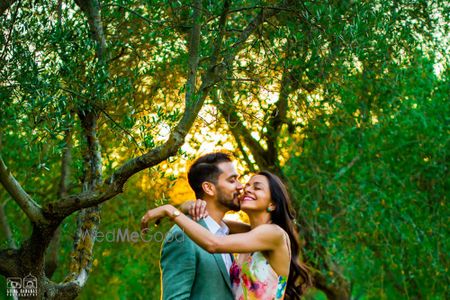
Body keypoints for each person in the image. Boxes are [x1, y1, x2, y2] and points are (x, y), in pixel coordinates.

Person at [141, 168, 312, 300]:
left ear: (273, 204)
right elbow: (212, 221)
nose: (247, 189)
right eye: (247, 185)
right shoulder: (250, 235)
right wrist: (187, 205)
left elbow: (213, 243)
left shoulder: (273, 234)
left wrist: (171, 211)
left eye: (257, 187)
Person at [152, 152, 243, 300]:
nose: (240, 186)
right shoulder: (182, 236)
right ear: (209, 188)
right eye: (232, 180)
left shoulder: (225, 233)